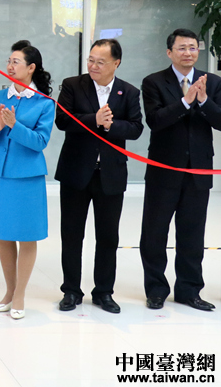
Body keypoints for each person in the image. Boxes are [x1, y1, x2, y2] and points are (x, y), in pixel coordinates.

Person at [54, 39, 143, 314]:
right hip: (76, 172)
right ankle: (71, 290)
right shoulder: (72, 85)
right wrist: (94, 119)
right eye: (91, 60)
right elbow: (63, 121)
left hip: (110, 174)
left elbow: (136, 128)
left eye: (100, 62)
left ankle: (104, 292)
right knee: (71, 234)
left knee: (108, 237)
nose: (93, 65)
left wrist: (110, 125)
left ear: (116, 63)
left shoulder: (129, 91)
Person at [140, 28, 221, 311]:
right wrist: (186, 101)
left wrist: (204, 101)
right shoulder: (153, 82)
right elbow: (155, 121)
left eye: (193, 48)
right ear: (169, 52)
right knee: (155, 233)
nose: (188, 53)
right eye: (182, 48)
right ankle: (156, 290)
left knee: (192, 235)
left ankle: (189, 291)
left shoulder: (213, 82)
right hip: (164, 170)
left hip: (198, 171)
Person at [0, 40, 55, 320]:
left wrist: (14, 125)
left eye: (16, 62)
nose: (10, 66)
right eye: (9, 61)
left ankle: (20, 294)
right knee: (4, 233)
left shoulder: (44, 103)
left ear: (31, 68)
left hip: (27, 177)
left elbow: (40, 141)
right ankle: (9, 291)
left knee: (27, 235)